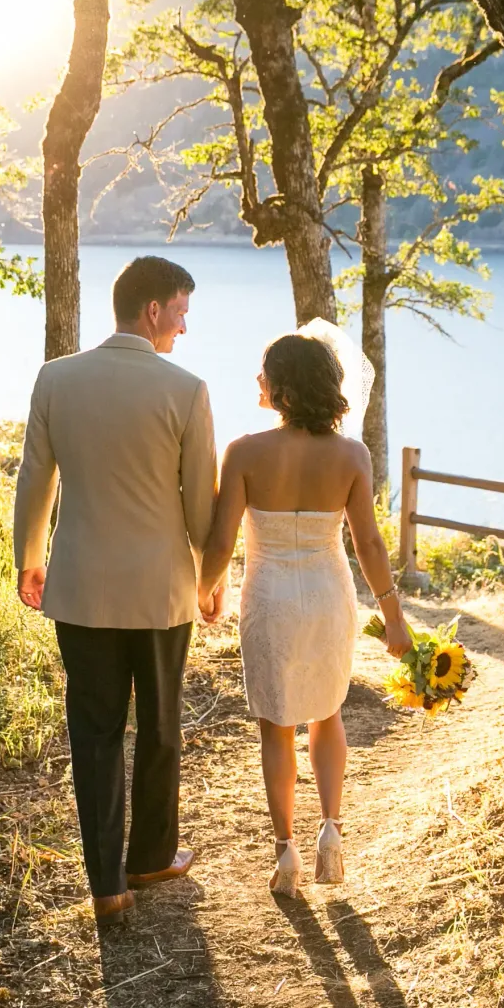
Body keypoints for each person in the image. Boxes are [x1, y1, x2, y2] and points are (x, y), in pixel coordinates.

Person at [12, 256, 218, 927]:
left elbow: (34, 479)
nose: (184, 327)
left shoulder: (56, 378)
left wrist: (29, 558)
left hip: (83, 591)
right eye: (182, 312)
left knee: (95, 733)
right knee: (160, 727)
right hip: (161, 594)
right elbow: (200, 510)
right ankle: (152, 857)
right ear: (152, 310)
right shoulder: (186, 390)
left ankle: (107, 885)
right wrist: (212, 579)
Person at [198, 333, 412, 897]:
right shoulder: (351, 456)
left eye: (264, 372)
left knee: (276, 724)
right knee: (327, 713)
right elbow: (368, 542)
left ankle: (285, 850)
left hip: (268, 595)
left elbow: (221, 541)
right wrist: (394, 615)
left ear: (285, 386)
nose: (257, 382)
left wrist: (204, 589)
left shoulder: (243, 451)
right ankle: (332, 833)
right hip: (327, 592)